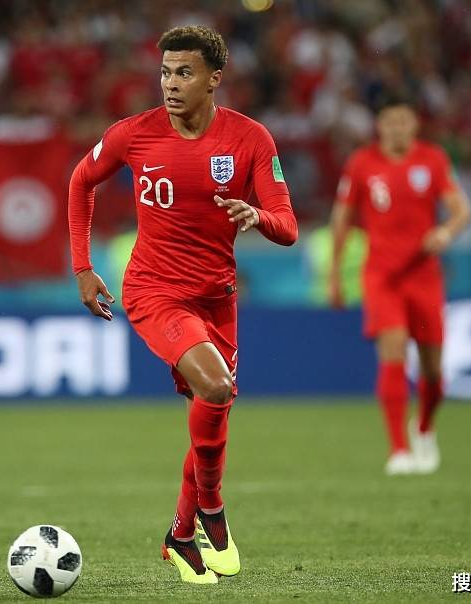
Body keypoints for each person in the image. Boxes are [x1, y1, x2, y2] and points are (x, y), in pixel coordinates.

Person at [67, 26, 298, 584]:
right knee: (215, 387)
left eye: (184, 73)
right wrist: (82, 266)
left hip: (217, 298)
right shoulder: (134, 134)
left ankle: (179, 534)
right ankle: (212, 509)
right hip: (154, 291)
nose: (171, 84)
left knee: (211, 410)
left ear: (214, 79)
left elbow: (288, 226)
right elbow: (81, 181)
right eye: (166, 72)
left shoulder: (250, 139)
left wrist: (256, 215)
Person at [329, 96, 471, 476]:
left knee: (433, 371)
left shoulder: (433, 159)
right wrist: (335, 274)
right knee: (392, 353)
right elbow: (342, 216)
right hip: (382, 276)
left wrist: (445, 232)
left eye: (403, 121)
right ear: (378, 125)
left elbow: (462, 210)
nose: (396, 128)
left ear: (415, 125)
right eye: (389, 121)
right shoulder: (362, 163)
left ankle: (423, 426)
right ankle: (398, 450)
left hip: (423, 275)